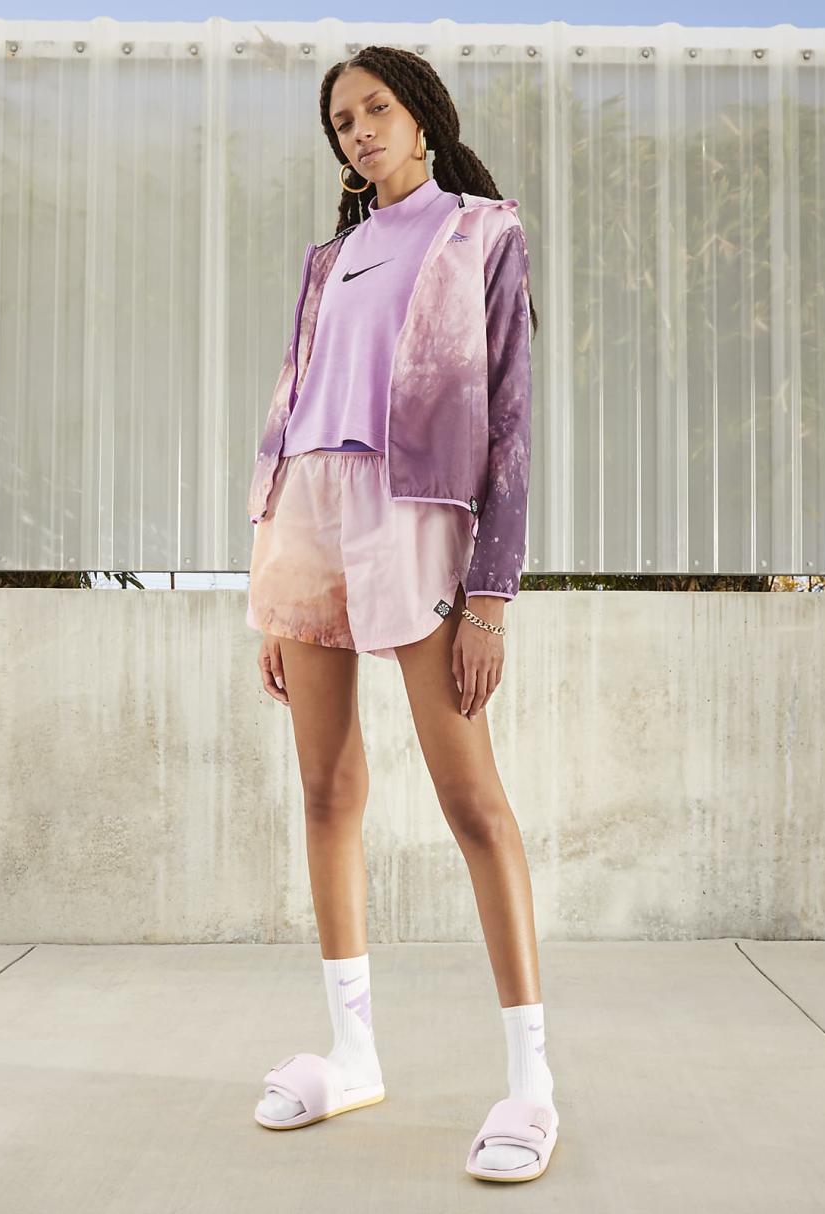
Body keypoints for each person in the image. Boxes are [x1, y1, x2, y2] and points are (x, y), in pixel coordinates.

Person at [246, 45, 557, 1183]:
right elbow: (292, 406)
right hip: (307, 511)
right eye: (342, 121)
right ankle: (351, 1052)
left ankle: (530, 1082)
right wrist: (269, 577)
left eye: (375, 108)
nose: (360, 129)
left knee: (469, 798)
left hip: (414, 514)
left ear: (421, 115)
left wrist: (490, 594)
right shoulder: (328, 259)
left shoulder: (479, 232)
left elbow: (511, 420)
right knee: (325, 788)